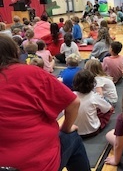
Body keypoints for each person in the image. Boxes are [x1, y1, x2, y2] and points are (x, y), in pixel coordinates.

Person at [0, 34, 90, 171]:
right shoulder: (29, 73)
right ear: (14, 52)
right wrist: (65, 128)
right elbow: (74, 103)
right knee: (72, 138)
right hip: (38, 163)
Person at [73, 69, 113, 138]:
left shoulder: (71, 95)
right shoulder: (94, 96)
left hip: (74, 130)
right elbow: (108, 108)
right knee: (109, 109)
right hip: (92, 130)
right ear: (93, 84)